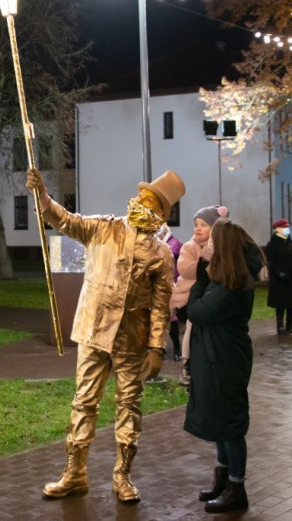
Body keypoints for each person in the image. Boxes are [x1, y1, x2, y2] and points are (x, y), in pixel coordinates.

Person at [26, 167, 185, 503]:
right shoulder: (105, 228)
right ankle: (74, 474)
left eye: (151, 199)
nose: (142, 200)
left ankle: (122, 478)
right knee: (84, 403)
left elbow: (160, 306)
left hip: (132, 342)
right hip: (94, 333)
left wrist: (157, 347)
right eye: (142, 194)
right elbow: (65, 220)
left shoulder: (161, 253)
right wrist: (42, 195)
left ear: (160, 211)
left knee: (129, 407)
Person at [184, 218, 263, 514]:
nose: (208, 246)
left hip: (225, 358)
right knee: (219, 419)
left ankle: (236, 488)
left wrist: (201, 276)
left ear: (225, 247)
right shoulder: (226, 277)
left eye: (213, 242)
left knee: (229, 423)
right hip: (216, 355)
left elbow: (196, 311)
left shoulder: (230, 282)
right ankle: (222, 479)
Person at [169, 205, 229, 387]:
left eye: (203, 224)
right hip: (189, 298)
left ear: (215, 228)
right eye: (196, 224)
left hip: (210, 299)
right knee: (191, 328)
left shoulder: (222, 247)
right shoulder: (190, 246)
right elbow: (185, 268)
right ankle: (186, 362)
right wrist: (205, 259)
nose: (198, 228)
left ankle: (211, 363)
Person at [265, 219, 292, 334]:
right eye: (284, 227)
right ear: (277, 229)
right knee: (280, 303)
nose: (287, 229)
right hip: (279, 279)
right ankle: (280, 326)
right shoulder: (272, 244)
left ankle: (289, 326)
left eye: (287, 227)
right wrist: (279, 273)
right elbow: (270, 262)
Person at [157, 224, 184, 360]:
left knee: (173, 319)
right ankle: (159, 349)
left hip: (172, 284)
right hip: (158, 286)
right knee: (159, 319)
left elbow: (181, 263)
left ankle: (177, 348)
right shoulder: (156, 244)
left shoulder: (174, 244)